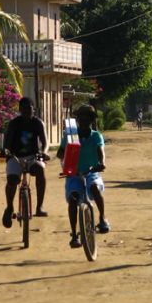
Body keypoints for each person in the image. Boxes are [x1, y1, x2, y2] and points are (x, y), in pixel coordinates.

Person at [56, 104, 109, 248]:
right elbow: (60, 153)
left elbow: (100, 150)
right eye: (81, 117)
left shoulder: (96, 136)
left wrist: (101, 163)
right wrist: (65, 157)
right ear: (77, 120)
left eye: (87, 118)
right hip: (74, 174)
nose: (84, 120)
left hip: (92, 171)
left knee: (94, 188)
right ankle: (74, 234)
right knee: (73, 198)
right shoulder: (70, 136)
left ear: (92, 120)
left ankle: (102, 218)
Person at [1, 97, 49, 228]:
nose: (27, 111)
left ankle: (39, 207)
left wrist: (44, 152)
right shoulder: (14, 123)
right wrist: (6, 152)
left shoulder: (38, 123)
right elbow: (7, 143)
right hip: (15, 157)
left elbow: (45, 142)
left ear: (34, 109)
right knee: (12, 180)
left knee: (40, 171)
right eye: (24, 109)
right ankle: (9, 208)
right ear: (20, 110)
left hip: (33, 157)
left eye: (29, 108)